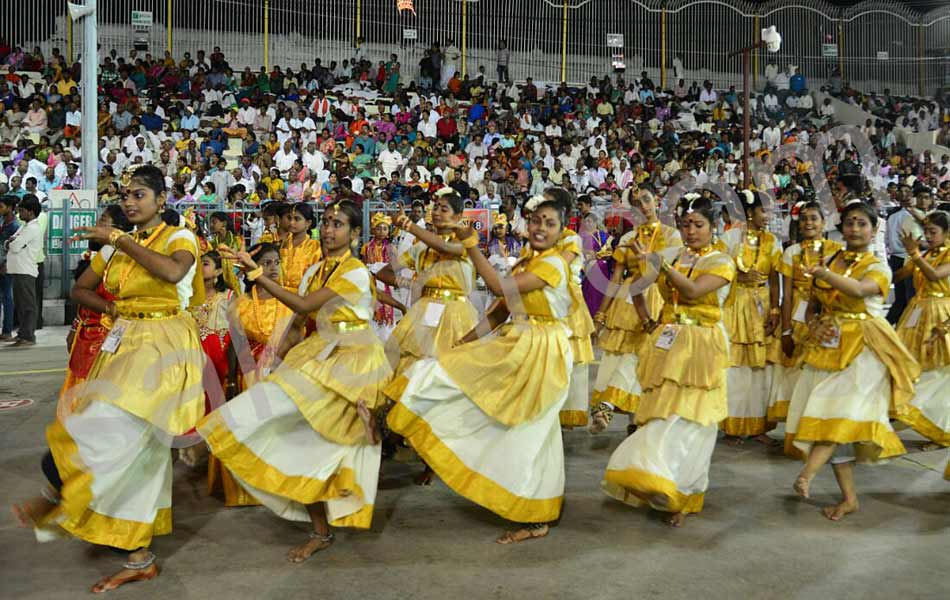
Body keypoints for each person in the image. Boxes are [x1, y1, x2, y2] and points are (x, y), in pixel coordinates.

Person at [13, 165, 206, 592]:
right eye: (125, 195)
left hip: (164, 347)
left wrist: (117, 238)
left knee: (111, 433)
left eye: (139, 195)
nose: (129, 202)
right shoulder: (116, 248)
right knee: (134, 452)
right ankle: (137, 555)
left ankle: (61, 495)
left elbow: (173, 273)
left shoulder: (179, 237)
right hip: (124, 342)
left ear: (161, 199)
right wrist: (113, 309)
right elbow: (80, 289)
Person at [205, 201, 391, 562]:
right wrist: (276, 363)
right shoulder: (315, 271)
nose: (330, 229)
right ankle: (320, 530)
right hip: (319, 352)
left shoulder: (353, 271)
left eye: (339, 224)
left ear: (355, 234)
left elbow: (305, 306)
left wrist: (257, 274)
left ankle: (385, 427)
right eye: (327, 222)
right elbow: (297, 322)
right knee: (302, 442)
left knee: (336, 448)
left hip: (354, 360)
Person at [386, 198, 573, 544]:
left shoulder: (555, 265)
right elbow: (501, 311)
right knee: (463, 391)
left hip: (544, 348)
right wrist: (465, 342)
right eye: (535, 221)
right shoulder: (526, 263)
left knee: (533, 430)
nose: (540, 228)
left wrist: (471, 245)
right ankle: (526, 506)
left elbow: (501, 290)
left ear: (561, 231)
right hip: (518, 342)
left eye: (549, 223)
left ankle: (535, 516)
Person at [601, 195, 736, 527]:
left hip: (703, 343)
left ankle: (682, 493)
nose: (691, 231)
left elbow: (691, 291)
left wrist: (661, 266)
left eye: (698, 225)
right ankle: (656, 479)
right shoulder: (671, 255)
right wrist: (648, 321)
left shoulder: (722, 261)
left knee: (694, 421)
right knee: (659, 412)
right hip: (667, 341)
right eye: (686, 224)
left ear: (713, 226)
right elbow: (636, 286)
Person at [786, 200, 919, 521]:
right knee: (832, 421)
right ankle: (849, 499)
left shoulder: (878, 266)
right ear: (841, 228)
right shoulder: (832, 260)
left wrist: (823, 274)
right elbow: (815, 299)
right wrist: (814, 319)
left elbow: (860, 290)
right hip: (830, 346)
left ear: (874, 231)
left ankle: (808, 473)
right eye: (849, 223)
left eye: (862, 224)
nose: (855, 229)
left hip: (865, 350)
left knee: (837, 413)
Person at [591, 188, 682, 433]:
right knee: (622, 355)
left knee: (647, 358)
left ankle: (630, 416)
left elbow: (675, 273)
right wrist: (600, 315)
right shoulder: (628, 239)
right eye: (636, 203)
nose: (642, 206)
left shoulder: (673, 236)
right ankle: (615, 409)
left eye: (646, 200)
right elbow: (616, 279)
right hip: (628, 299)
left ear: (657, 202)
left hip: (658, 297)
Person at [208, 243, 292, 507]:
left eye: (276, 262)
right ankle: (251, 488)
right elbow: (236, 343)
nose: (273, 268)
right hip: (251, 374)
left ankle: (283, 484)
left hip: (284, 372)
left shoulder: (290, 298)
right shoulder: (242, 304)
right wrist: (233, 379)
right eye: (266, 263)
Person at [767, 201, 842, 447]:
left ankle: (820, 425)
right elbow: (786, 296)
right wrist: (786, 329)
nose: (808, 223)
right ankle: (797, 429)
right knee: (794, 374)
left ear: (824, 222)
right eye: (804, 219)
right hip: (798, 315)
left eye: (814, 218)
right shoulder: (791, 252)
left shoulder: (837, 250)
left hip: (826, 312)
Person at [720, 191, 782, 444]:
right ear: (749, 213)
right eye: (763, 211)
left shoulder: (773, 242)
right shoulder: (730, 238)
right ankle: (731, 426)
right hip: (735, 305)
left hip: (762, 307)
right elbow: (718, 269)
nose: (768, 216)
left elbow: (776, 279)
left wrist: (776, 311)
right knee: (734, 370)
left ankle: (758, 428)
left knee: (759, 370)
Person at [60, 205, 133, 397]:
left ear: (117, 229)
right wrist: (75, 328)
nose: (97, 225)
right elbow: (81, 297)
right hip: (86, 335)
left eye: (103, 221)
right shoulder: (101, 254)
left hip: (112, 337)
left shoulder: (123, 257)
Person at [893, 211, 950, 449]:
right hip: (915, 314)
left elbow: (935, 274)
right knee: (910, 369)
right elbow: (897, 277)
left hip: (940, 316)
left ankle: (942, 432)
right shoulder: (923, 254)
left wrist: (915, 254)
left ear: (947, 233)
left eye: (933, 232)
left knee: (938, 377)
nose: (928, 236)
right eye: (925, 231)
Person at [4, 194, 43, 347]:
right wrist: (11, 243)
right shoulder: (24, 226)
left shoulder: (32, 228)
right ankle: (22, 333)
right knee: (20, 304)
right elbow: (11, 241)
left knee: (27, 305)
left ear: (31, 212)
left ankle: (28, 336)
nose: (19, 214)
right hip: (18, 269)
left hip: (25, 270)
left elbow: (13, 245)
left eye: (22, 211)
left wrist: (11, 243)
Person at [279, 203, 322, 292]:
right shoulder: (282, 243)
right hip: (279, 295)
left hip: (303, 299)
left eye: (297, 219)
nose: (291, 222)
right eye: (290, 218)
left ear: (308, 223)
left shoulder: (315, 247)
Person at [0, 195, 19, 341]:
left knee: (7, 297)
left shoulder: (15, 226)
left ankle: (7, 331)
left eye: (2, 207)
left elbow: (15, 249)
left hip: (6, 266)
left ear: (10, 208)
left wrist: (7, 264)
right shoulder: (2, 222)